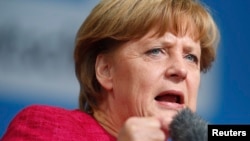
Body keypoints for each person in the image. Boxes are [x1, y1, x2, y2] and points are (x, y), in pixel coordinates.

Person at [1, 0, 220, 140]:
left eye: (191, 57)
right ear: (106, 70)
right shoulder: (47, 129)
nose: (181, 69)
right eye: (156, 51)